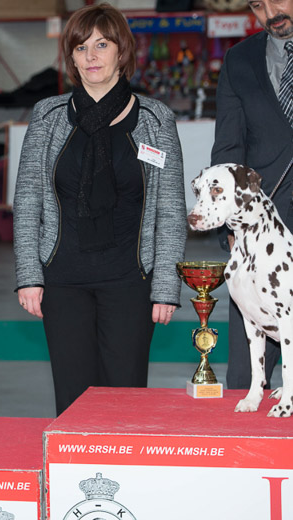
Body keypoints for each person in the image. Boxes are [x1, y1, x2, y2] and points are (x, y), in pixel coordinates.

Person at [14, 3, 186, 416]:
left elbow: (171, 209)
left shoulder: (156, 120)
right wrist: (28, 276)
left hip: (130, 281)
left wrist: (165, 286)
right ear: (70, 57)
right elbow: (27, 201)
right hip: (63, 283)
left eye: (101, 44)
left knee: (126, 403)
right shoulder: (48, 117)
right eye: (80, 47)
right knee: (72, 404)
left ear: (121, 52)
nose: (90, 56)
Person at [210, 0, 293, 390]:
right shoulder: (238, 61)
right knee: (243, 381)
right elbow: (228, 148)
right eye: (258, 4)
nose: (271, 11)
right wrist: (231, 219)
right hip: (261, 234)